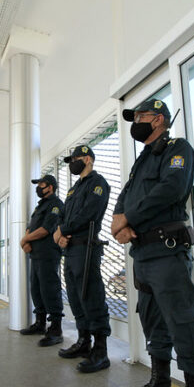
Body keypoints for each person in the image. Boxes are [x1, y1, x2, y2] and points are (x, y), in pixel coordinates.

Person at [112, 99, 194, 387]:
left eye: (140, 116)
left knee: (182, 322)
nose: (135, 122)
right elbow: (125, 195)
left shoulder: (177, 148)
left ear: (159, 120)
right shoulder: (141, 160)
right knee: (152, 319)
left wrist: (130, 218)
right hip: (144, 254)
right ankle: (160, 386)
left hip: (168, 251)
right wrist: (118, 221)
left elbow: (172, 188)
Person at [53, 145, 111, 373]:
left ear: (87, 159)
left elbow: (89, 214)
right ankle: (83, 341)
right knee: (76, 298)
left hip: (86, 247)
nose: (71, 164)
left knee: (91, 296)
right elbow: (65, 215)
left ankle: (101, 350)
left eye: (75, 159)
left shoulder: (98, 183)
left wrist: (63, 230)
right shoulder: (73, 189)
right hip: (71, 249)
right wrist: (61, 234)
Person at [19, 174, 65, 347]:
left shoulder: (56, 205)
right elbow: (30, 227)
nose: (38, 187)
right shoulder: (40, 207)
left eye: (41, 184)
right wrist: (26, 241)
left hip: (48, 253)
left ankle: (56, 329)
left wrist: (24, 240)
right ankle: (40, 323)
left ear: (50, 187)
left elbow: (46, 229)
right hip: (36, 254)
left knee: (49, 290)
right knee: (36, 289)